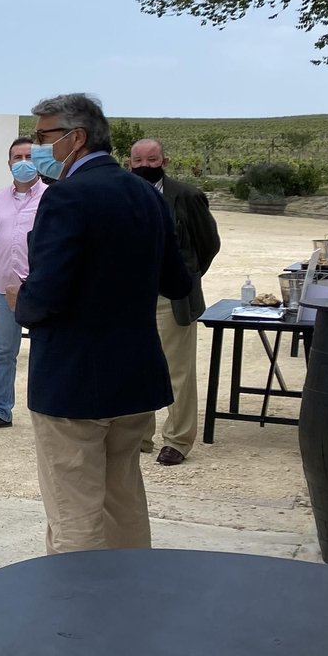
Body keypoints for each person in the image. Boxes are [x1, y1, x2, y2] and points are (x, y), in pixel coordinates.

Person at [16, 94, 190, 554]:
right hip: (134, 376)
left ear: (76, 138)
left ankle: (79, 614)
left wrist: (21, 299)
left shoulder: (66, 197)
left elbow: (46, 295)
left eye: (43, 136)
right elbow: (176, 280)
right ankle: (131, 597)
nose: (37, 147)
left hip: (73, 383)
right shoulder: (146, 194)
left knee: (73, 508)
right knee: (123, 499)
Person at [130, 139, 221, 466]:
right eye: (138, 159)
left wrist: (185, 276)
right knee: (136, 366)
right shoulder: (123, 194)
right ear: (128, 163)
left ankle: (178, 440)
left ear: (164, 161)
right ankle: (139, 436)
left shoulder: (186, 195)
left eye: (151, 159)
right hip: (132, 296)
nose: (144, 164)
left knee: (176, 370)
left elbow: (208, 243)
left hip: (171, 297)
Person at [0, 140, 43, 430]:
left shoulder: (53, 198)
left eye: (29, 156)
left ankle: (46, 411)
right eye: (18, 157)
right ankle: (1, 410)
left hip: (41, 289)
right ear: (9, 162)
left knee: (45, 352)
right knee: (3, 352)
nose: (23, 161)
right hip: (3, 288)